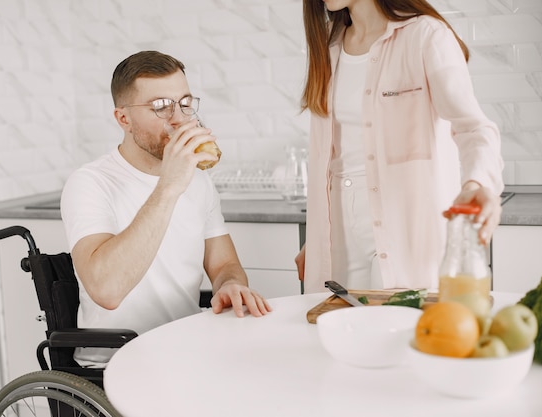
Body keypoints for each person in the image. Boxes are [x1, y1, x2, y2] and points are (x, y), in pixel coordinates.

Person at [61, 50, 271, 367]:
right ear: (123, 118)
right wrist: (169, 186)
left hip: (185, 351)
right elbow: (107, 290)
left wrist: (230, 286)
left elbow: (224, 263)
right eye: (160, 106)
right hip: (116, 363)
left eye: (185, 103)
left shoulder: (198, 182)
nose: (178, 118)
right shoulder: (90, 182)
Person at [296, 0, 504, 294]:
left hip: (407, 226)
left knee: (401, 327)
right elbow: (335, 157)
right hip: (339, 232)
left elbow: (473, 127)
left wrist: (477, 181)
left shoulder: (426, 35)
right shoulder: (328, 46)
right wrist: (319, 236)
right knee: (337, 331)